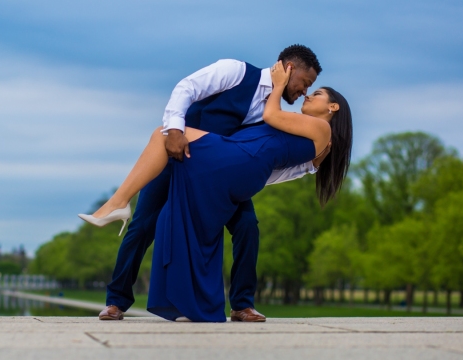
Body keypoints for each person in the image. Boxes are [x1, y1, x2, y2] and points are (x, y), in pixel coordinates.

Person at [81, 63, 352, 321]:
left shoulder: (279, 112)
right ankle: (116, 301)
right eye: (305, 83)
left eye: (312, 89)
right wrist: (175, 130)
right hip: (179, 152)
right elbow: (186, 88)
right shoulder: (236, 72)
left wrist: (302, 169)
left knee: (248, 226)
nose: (304, 91)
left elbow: (271, 161)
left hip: (220, 168)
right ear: (289, 69)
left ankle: (242, 304)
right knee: (142, 227)